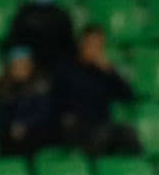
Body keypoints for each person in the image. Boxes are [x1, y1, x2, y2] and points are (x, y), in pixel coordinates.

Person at [52, 24, 141, 156]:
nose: (95, 50)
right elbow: (57, 103)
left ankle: (137, 167)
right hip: (77, 128)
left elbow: (127, 95)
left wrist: (110, 71)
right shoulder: (66, 70)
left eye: (99, 46)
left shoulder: (104, 72)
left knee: (128, 134)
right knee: (101, 135)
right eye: (91, 45)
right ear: (81, 44)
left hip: (102, 126)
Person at [3, 0, 76, 77]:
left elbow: (69, 47)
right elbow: (14, 43)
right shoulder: (23, 15)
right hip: (29, 72)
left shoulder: (62, 15)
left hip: (58, 70)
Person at [0, 46, 56, 157]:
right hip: (11, 139)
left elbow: (45, 114)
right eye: (17, 65)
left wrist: (25, 124)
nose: (21, 69)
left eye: (24, 64)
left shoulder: (41, 86)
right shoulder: (3, 87)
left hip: (37, 136)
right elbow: (1, 115)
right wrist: (13, 126)